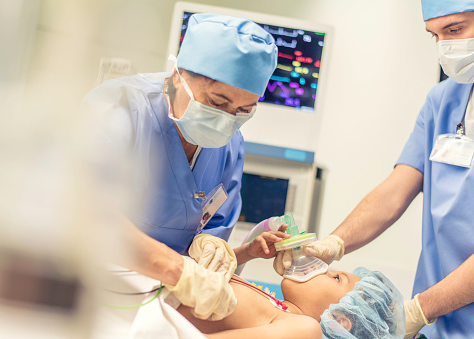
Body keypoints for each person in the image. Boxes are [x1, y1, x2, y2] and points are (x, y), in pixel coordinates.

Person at [274, 1, 474, 338]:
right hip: (438, 322)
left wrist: (420, 309)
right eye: (434, 35)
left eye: (454, 30)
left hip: (435, 309)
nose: (445, 46)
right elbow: (394, 191)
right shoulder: (443, 101)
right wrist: (335, 243)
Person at [82, 13, 278, 321]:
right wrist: (178, 270)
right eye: (217, 103)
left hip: (165, 293)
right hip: (90, 280)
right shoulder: (120, 112)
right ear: (179, 78)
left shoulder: (230, 145)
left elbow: (215, 220)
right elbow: (83, 212)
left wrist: (208, 244)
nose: (228, 119)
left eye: (243, 110)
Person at [177, 258, 404, 339]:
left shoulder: (305, 331)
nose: (324, 269)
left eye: (336, 278)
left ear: (340, 320)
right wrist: (248, 251)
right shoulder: (277, 308)